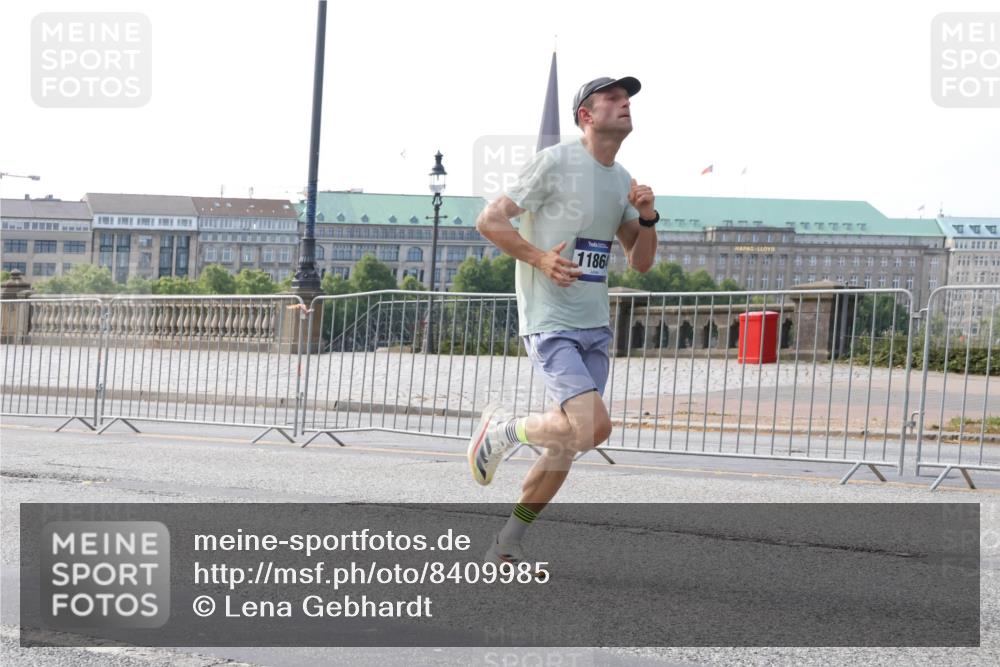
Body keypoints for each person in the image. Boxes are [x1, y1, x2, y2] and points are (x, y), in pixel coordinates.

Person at [469, 76, 660, 565]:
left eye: (627, 99)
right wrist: (539, 258)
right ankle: (504, 431)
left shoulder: (622, 179)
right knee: (592, 428)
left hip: (594, 324)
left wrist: (647, 217)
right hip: (550, 319)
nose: (624, 104)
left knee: (568, 443)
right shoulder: (554, 162)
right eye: (613, 99)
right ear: (586, 116)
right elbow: (490, 220)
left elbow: (640, 262)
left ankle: (506, 542)